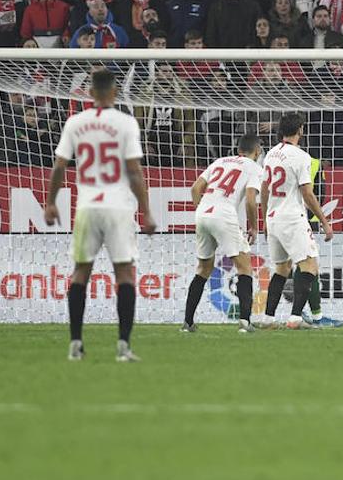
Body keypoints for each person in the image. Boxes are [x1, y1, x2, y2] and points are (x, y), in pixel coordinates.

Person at [45, 69, 156, 362]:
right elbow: (134, 171)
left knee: (81, 272)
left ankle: (76, 344)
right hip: (118, 207)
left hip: (87, 207)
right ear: (115, 93)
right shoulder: (126, 123)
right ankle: (123, 346)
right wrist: (146, 211)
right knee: (124, 273)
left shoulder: (75, 123)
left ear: (90, 93)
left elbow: (59, 166)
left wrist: (50, 202)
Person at [255, 114, 334, 330]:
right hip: (292, 217)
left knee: (281, 269)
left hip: (273, 218)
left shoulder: (270, 154)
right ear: (300, 130)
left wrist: (264, 219)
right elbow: (308, 194)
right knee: (309, 266)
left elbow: (264, 189)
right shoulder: (302, 157)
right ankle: (296, 318)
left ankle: (268, 318)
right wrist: (325, 222)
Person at [181, 133, 264, 333]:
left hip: (203, 213)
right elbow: (251, 200)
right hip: (224, 214)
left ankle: (187, 323)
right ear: (257, 151)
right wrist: (254, 227)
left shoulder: (219, 162)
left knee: (203, 269)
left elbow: (195, 188)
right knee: (244, 268)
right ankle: (245, 322)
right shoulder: (254, 167)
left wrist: (202, 210)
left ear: (238, 150)